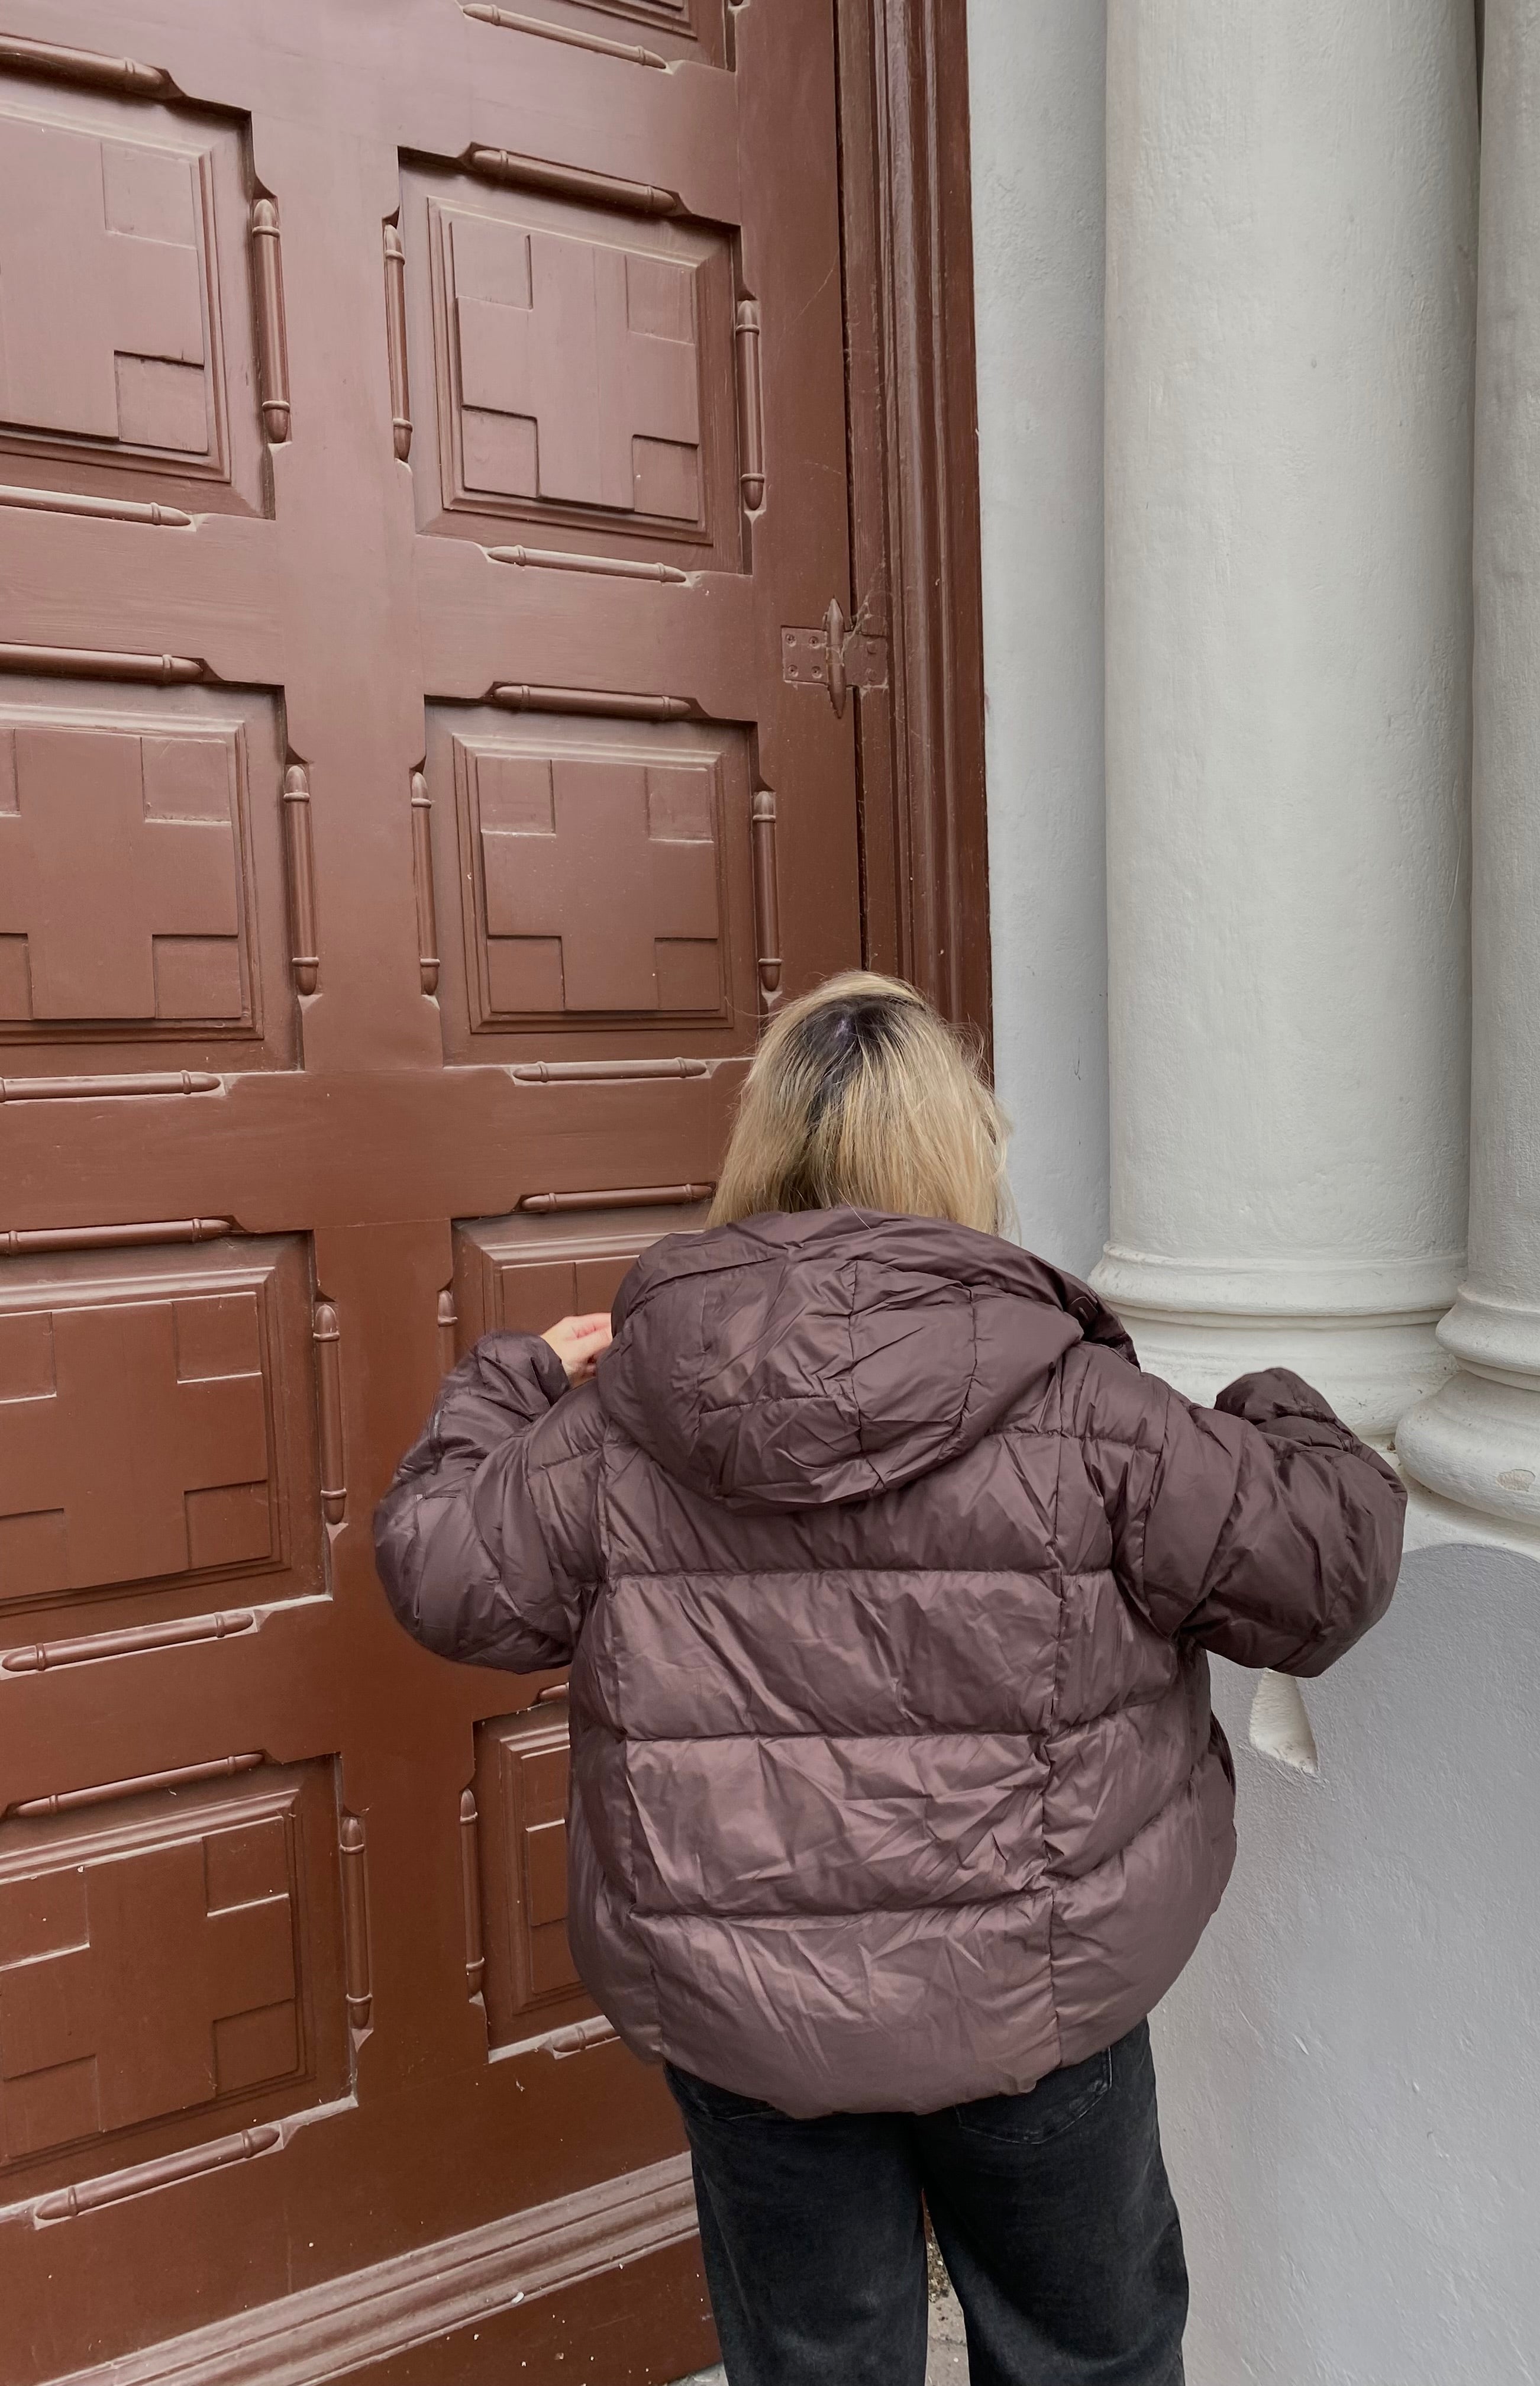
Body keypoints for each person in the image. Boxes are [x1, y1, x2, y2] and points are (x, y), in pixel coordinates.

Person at [375, 972, 1405, 2386]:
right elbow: (1324, 1576)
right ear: (960, 1153)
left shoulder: (622, 1416)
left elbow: (440, 1570)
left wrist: (510, 1381)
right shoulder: (1093, 1413)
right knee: (1086, 2360)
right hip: (1037, 2005)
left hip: (753, 2026)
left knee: (815, 2368)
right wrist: (1278, 1402)